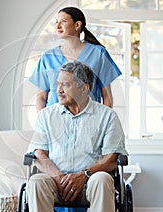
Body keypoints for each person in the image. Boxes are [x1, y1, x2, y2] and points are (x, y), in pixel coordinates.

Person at [27, 61, 128, 212]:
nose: (58, 90)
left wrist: (84, 175)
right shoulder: (45, 116)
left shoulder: (107, 116)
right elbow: (39, 153)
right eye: (58, 84)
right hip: (55, 181)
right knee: (36, 182)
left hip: (91, 181)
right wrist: (59, 177)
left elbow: (112, 158)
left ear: (84, 88)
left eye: (65, 85)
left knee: (102, 179)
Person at [29, 6, 122, 112]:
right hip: (56, 122)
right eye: (56, 22)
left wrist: (101, 122)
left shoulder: (99, 54)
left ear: (77, 25)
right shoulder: (48, 57)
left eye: (63, 21)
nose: (58, 26)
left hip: (89, 120)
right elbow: (41, 97)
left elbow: (107, 96)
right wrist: (44, 124)